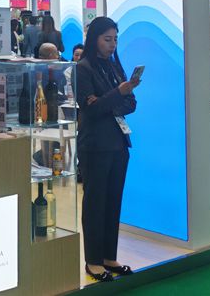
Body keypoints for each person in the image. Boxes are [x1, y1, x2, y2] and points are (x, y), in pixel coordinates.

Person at [75, 16, 139, 282]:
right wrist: (117, 95)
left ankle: (109, 257)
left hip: (118, 144)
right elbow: (90, 108)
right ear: (95, 39)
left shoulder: (114, 66)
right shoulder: (83, 68)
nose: (112, 44)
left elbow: (131, 103)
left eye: (115, 39)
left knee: (113, 201)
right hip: (95, 145)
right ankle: (93, 261)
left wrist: (112, 99)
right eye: (107, 39)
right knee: (95, 203)